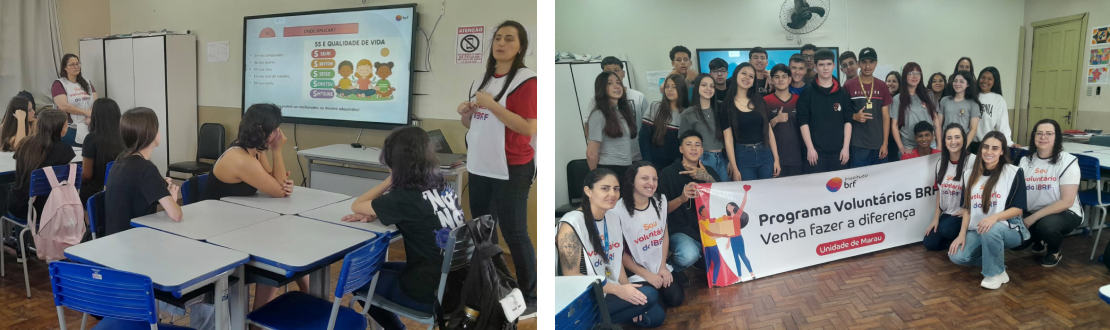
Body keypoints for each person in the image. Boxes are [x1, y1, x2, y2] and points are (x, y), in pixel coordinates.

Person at [341, 127, 469, 329]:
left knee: (359, 279)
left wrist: (391, 179)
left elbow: (358, 204)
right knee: (376, 270)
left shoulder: (405, 198)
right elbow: (421, 215)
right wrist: (377, 210)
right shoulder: (441, 184)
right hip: (456, 285)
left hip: (430, 293)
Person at [457, 21, 538, 313]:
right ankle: (494, 284)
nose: (501, 43)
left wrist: (491, 105)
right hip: (480, 165)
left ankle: (531, 295)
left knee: (514, 231)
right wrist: (467, 114)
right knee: (483, 231)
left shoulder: (527, 80)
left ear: (520, 47)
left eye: (509, 39)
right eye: (498, 38)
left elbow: (528, 128)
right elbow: (475, 124)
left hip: (512, 166)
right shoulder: (483, 79)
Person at [201, 103, 298, 309]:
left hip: (238, 223)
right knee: (278, 253)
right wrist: (278, 151)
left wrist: (279, 182)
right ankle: (256, 322)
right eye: (275, 129)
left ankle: (310, 301)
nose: (278, 134)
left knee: (285, 248)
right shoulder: (241, 159)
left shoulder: (254, 150)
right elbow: (279, 191)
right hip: (220, 233)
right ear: (263, 131)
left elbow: (276, 183)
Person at [557, 168, 664, 328]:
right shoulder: (572, 224)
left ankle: (601, 322)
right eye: (605, 188)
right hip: (585, 297)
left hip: (610, 289)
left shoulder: (612, 218)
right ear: (588, 191)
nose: (612, 194)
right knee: (649, 295)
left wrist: (627, 289)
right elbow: (572, 278)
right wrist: (618, 291)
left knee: (656, 316)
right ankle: (594, 322)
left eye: (616, 189)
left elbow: (616, 261)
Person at [948, 131, 1028, 290]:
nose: (989, 152)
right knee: (956, 256)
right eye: (985, 147)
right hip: (979, 228)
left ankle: (992, 274)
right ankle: (999, 267)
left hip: (1009, 227)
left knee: (991, 228)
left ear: (1002, 151)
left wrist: (994, 218)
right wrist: (961, 234)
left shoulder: (1013, 172)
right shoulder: (968, 174)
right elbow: (967, 209)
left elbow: (1018, 209)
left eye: (995, 148)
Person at [1013, 119, 1082, 267]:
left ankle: (1054, 251)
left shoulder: (1067, 161)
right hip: (1032, 211)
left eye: (1049, 134)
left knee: (1047, 227)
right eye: (1039, 133)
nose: (1043, 137)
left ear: (1056, 137)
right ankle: (1037, 240)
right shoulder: (1025, 160)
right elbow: (1018, 193)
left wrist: (1031, 219)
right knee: (1015, 242)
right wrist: (1018, 215)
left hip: (1065, 212)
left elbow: (1067, 202)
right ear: (1033, 136)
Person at [103, 107, 181, 236]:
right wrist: (172, 199)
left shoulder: (122, 158)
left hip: (114, 235)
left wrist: (158, 184)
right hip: (133, 238)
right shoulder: (146, 168)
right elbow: (176, 215)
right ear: (151, 133)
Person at [616, 162, 683, 309]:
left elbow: (663, 234)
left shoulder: (660, 200)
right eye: (645, 178)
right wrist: (647, 275)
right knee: (654, 309)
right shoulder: (617, 211)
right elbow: (618, 253)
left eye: (654, 179)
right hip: (634, 270)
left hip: (658, 265)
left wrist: (663, 266)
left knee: (676, 298)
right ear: (631, 180)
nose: (651, 183)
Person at [658, 130, 721, 272]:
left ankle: (700, 259)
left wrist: (707, 178)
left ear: (702, 150)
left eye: (697, 145)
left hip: (707, 229)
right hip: (679, 230)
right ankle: (670, 270)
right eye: (689, 144)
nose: (694, 148)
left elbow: (724, 199)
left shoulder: (709, 170)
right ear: (681, 149)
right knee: (688, 255)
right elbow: (660, 211)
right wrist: (682, 199)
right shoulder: (667, 173)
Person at [8, 109, 75, 221]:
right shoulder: (65, 150)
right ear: (58, 128)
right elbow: (67, 180)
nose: (67, 127)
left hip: (19, 206)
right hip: (50, 210)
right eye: (65, 125)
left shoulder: (24, 144)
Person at [720, 63, 780, 181]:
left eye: (751, 76)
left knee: (767, 192)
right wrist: (734, 166)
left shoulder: (759, 101)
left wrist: (776, 159)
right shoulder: (727, 105)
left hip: (765, 154)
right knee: (750, 194)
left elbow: (768, 131)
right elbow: (728, 139)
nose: (747, 78)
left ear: (753, 82)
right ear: (736, 75)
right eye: (744, 73)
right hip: (743, 156)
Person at [798, 49, 853, 174]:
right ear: (815, 67)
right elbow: (803, 121)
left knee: (839, 191)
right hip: (816, 154)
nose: (825, 68)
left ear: (834, 66)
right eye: (821, 65)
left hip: (840, 153)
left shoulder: (842, 93)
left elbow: (848, 121)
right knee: (816, 191)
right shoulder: (808, 92)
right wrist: (810, 148)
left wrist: (845, 148)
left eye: (828, 64)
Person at [924, 123, 977, 251]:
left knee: (946, 229)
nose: (953, 141)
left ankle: (970, 236)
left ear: (964, 139)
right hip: (948, 213)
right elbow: (939, 193)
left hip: (966, 214)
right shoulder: (940, 163)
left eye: (957, 137)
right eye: (949, 138)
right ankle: (954, 240)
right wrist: (936, 219)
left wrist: (967, 211)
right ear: (944, 141)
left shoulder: (973, 161)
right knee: (929, 243)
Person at [845, 48, 892, 168]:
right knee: (860, 181)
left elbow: (886, 116)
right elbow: (841, 113)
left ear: (876, 63)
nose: (867, 66)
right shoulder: (849, 85)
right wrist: (854, 116)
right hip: (858, 144)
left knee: (880, 182)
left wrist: (885, 143)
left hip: (879, 143)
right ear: (858, 64)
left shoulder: (882, 86)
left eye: (871, 62)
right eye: (864, 62)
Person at [586, 71, 640, 175]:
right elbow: (591, 153)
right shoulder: (599, 114)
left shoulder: (623, 111)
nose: (616, 86)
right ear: (602, 88)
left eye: (618, 83)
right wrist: (595, 177)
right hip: (608, 168)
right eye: (610, 83)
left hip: (627, 166)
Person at [680, 73, 728, 180]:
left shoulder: (722, 107)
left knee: (726, 192)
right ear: (696, 87)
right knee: (708, 193)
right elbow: (684, 141)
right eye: (704, 85)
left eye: (712, 86)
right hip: (703, 158)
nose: (708, 89)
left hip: (724, 158)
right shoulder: (688, 113)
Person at [890, 62, 940, 158]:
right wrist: (901, 148)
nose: (915, 76)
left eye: (918, 73)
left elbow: (935, 120)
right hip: (909, 146)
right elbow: (894, 126)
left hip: (930, 144)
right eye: (911, 73)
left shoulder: (929, 94)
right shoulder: (898, 99)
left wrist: (939, 145)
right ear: (905, 76)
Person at [80, 98, 125, 204]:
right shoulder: (125, 135)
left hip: (97, 192)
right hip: (121, 189)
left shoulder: (91, 138)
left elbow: (86, 175)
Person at [763, 64, 804, 177]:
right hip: (774, 158)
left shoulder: (799, 100)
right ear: (772, 80)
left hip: (797, 156)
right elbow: (762, 129)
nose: (780, 80)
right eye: (777, 77)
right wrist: (775, 120)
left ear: (789, 79)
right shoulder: (765, 101)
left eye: (784, 76)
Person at [640, 74, 688, 169]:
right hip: (656, 164)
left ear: (681, 89)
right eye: (667, 86)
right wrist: (648, 162)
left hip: (678, 165)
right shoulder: (655, 107)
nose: (669, 90)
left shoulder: (687, 112)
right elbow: (643, 137)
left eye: (674, 87)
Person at [52, 53, 97, 146]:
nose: (76, 67)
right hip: (71, 127)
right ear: (65, 67)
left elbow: (95, 101)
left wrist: (89, 115)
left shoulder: (87, 82)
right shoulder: (59, 84)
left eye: (77, 64)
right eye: (72, 65)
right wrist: (86, 112)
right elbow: (63, 106)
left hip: (89, 124)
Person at [973, 67, 1017, 152]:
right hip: (970, 143)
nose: (985, 81)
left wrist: (1009, 143)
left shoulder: (998, 99)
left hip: (988, 145)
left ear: (995, 82)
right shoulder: (972, 96)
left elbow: (1003, 125)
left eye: (990, 79)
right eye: (983, 77)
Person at [937, 71, 981, 148]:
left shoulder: (973, 104)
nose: (957, 84)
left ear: (968, 84)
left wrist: (964, 146)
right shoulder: (944, 100)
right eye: (955, 81)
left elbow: (973, 129)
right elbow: (939, 125)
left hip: (963, 143)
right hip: (946, 142)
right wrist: (940, 143)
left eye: (961, 81)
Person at [723, 190, 755, 280]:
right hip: (733, 240)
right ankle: (740, 276)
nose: (728, 207)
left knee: (743, 255)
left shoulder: (738, 215)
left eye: (729, 206)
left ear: (733, 207)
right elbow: (729, 231)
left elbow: (743, 203)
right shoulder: (727, 218)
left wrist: (746, 192)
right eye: (727, 207)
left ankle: (751, 273)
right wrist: (728, 242)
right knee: (736, 258)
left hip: (738, 238)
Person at [885, 71, 904, 162]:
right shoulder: (881, 97)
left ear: (899, 84)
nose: (890, 84)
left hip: (899, 135)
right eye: (888, 81)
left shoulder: (903, 99)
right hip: (885, 135)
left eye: (894, 81)